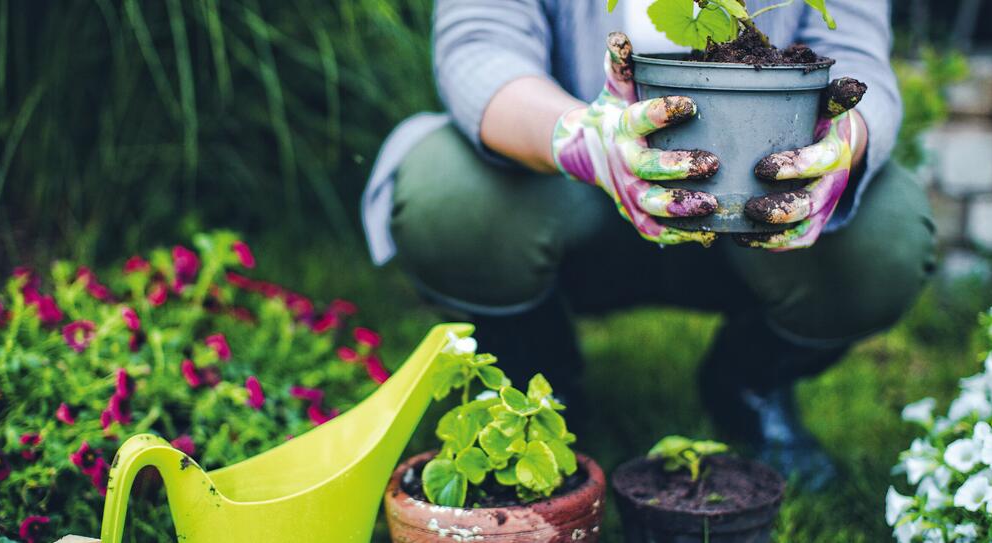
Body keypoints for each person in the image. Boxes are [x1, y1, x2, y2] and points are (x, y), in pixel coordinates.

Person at [361, 0, 935, 489]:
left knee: (884, 239)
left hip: (754, 187)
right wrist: (583, 140)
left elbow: (858, 54)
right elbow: (480, 46)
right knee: (449, 197)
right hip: (562, 187)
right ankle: (537, 370)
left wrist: (844, 140)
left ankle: (750, 381)